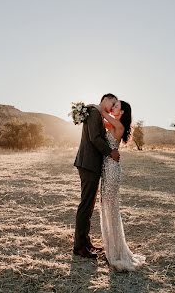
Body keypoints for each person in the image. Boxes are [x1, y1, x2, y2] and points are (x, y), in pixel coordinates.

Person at [96, 100, 146, 271]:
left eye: (116, 106)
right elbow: (99, 121)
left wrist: (94, 107)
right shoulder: (112, 123)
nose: (112, 108)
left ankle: (116, 252)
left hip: (111, 169)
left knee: (111, 207)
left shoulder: (118, 125)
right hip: (107, 167)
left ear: (122, 112)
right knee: (107, 206)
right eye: (113, 105)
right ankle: (112, 247)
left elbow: (101, 114)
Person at [73, 94, 120, 258]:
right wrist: (110, 152)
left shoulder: (96, 113)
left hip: (90, 164)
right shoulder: (93, 112)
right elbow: (95, 138)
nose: (113, 107)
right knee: (86, 204)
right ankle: (79, 246)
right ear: (105, 99)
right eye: (112, 103)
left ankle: (85, 242)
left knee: (89, 204)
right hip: (88, 164)